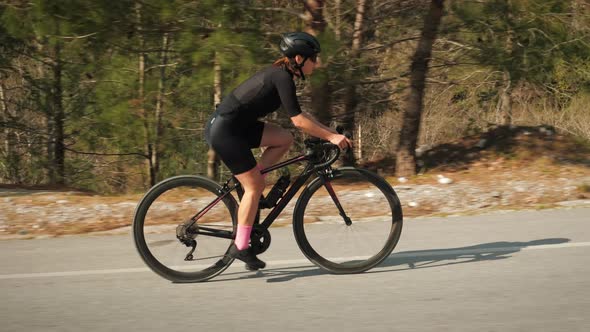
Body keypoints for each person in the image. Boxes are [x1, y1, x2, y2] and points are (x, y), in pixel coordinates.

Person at [204, 32, 352, 270]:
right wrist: (331, 137)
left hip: (238, 126)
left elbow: (303, 118)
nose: (317, 63)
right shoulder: (281, 77)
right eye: (314, 58)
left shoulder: (283, 76)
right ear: (299, 59)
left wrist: (330, 133)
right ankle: (240, 247)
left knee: (284, 138)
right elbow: (299, 121)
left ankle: (255, 182)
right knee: (254, 187)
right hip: (226, 131)